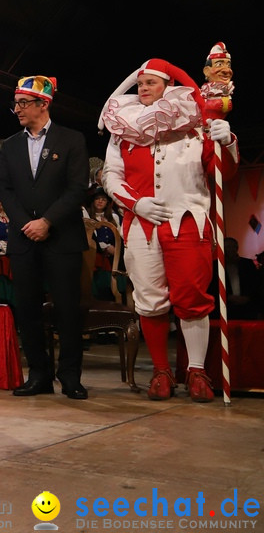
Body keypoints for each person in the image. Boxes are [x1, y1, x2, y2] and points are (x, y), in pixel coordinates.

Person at [99, 58, 238, 402]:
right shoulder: (123, 131)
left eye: (151, 83)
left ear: (167, 87)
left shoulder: (196, 125)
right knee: (150, 300)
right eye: (140, 84)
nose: (144, 89)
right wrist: (135, 203)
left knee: (191, 298)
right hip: (141, 224)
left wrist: (227, 140)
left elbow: (224, 174)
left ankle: (196, 371)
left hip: (189, 220)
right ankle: (161, 370)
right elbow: (110, 176)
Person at [0, 75, 89, 400]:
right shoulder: (9, 146)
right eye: (16, 104)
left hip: (62, 237)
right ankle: (38, 373)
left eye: (23, 103)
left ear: (43, 104)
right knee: (27, 309)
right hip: (24, 239)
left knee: (67, 309)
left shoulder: (71, 139)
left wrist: (48, 221)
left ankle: (70, 376)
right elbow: (5, 190)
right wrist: (27, 223)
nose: (18, 109)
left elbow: (77, 187)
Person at [83, 187, 125, 302]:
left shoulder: (114, 217)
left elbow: (120, 235)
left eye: (103, 199)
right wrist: (104, 247)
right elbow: (90, 236)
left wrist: (115, 249)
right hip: (96, 254)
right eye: (97, 199)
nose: (100, 201)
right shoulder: (88, 217)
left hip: (114, 256)